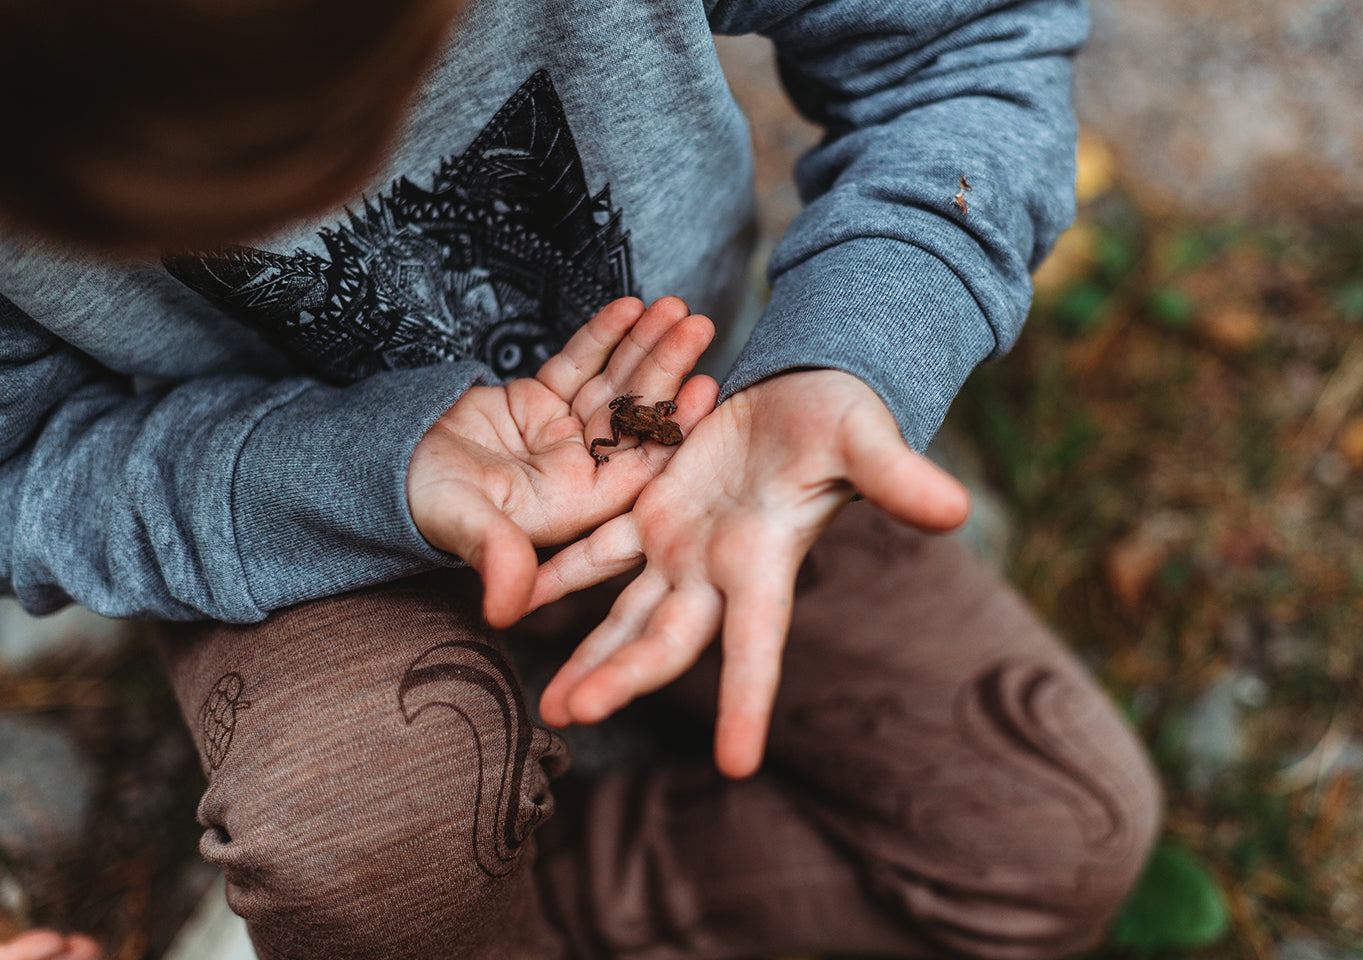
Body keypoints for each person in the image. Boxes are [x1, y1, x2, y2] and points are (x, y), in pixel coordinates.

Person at [0, 0, 1162, 957]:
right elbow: (26, 459)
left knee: (1056, 832)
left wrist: (850, 355)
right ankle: (390, 911)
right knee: (359, 842)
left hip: (702, 438)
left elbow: (959, 39)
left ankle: (460, 922)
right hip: (295, 537)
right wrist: (355, 476)